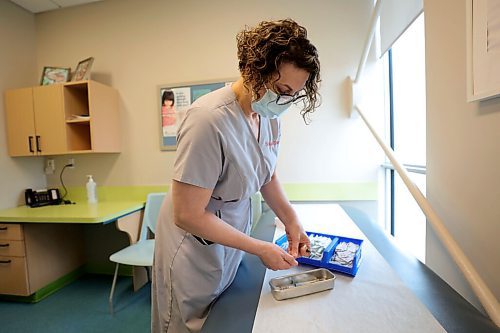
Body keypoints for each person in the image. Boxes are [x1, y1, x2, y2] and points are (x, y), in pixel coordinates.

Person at [152, 18, 321, 333]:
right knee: (188, 321)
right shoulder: (207, 120)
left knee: (224, 313)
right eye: (282, 90)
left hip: (230, 225)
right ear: (254, 70)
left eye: (294, 95)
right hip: (193, 239)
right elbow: (187, 214)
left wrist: (291, 219)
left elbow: (265, 173)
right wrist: (259, 247)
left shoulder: (268, 116)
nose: (285, 101)